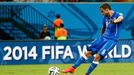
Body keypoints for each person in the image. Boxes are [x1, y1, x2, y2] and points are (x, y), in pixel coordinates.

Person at [62, 3, 124, 75]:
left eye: (102, 11)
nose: (101, 13)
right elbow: (104, 27)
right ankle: (72, 68)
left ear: (107, 9)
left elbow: (121, 18)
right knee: (89, 53)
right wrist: (101, 37)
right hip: (103, 38)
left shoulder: (117, 14)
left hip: (111, 40)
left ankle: (87, 74)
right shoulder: (105, 18)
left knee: (97, 56)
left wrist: (115, 21)